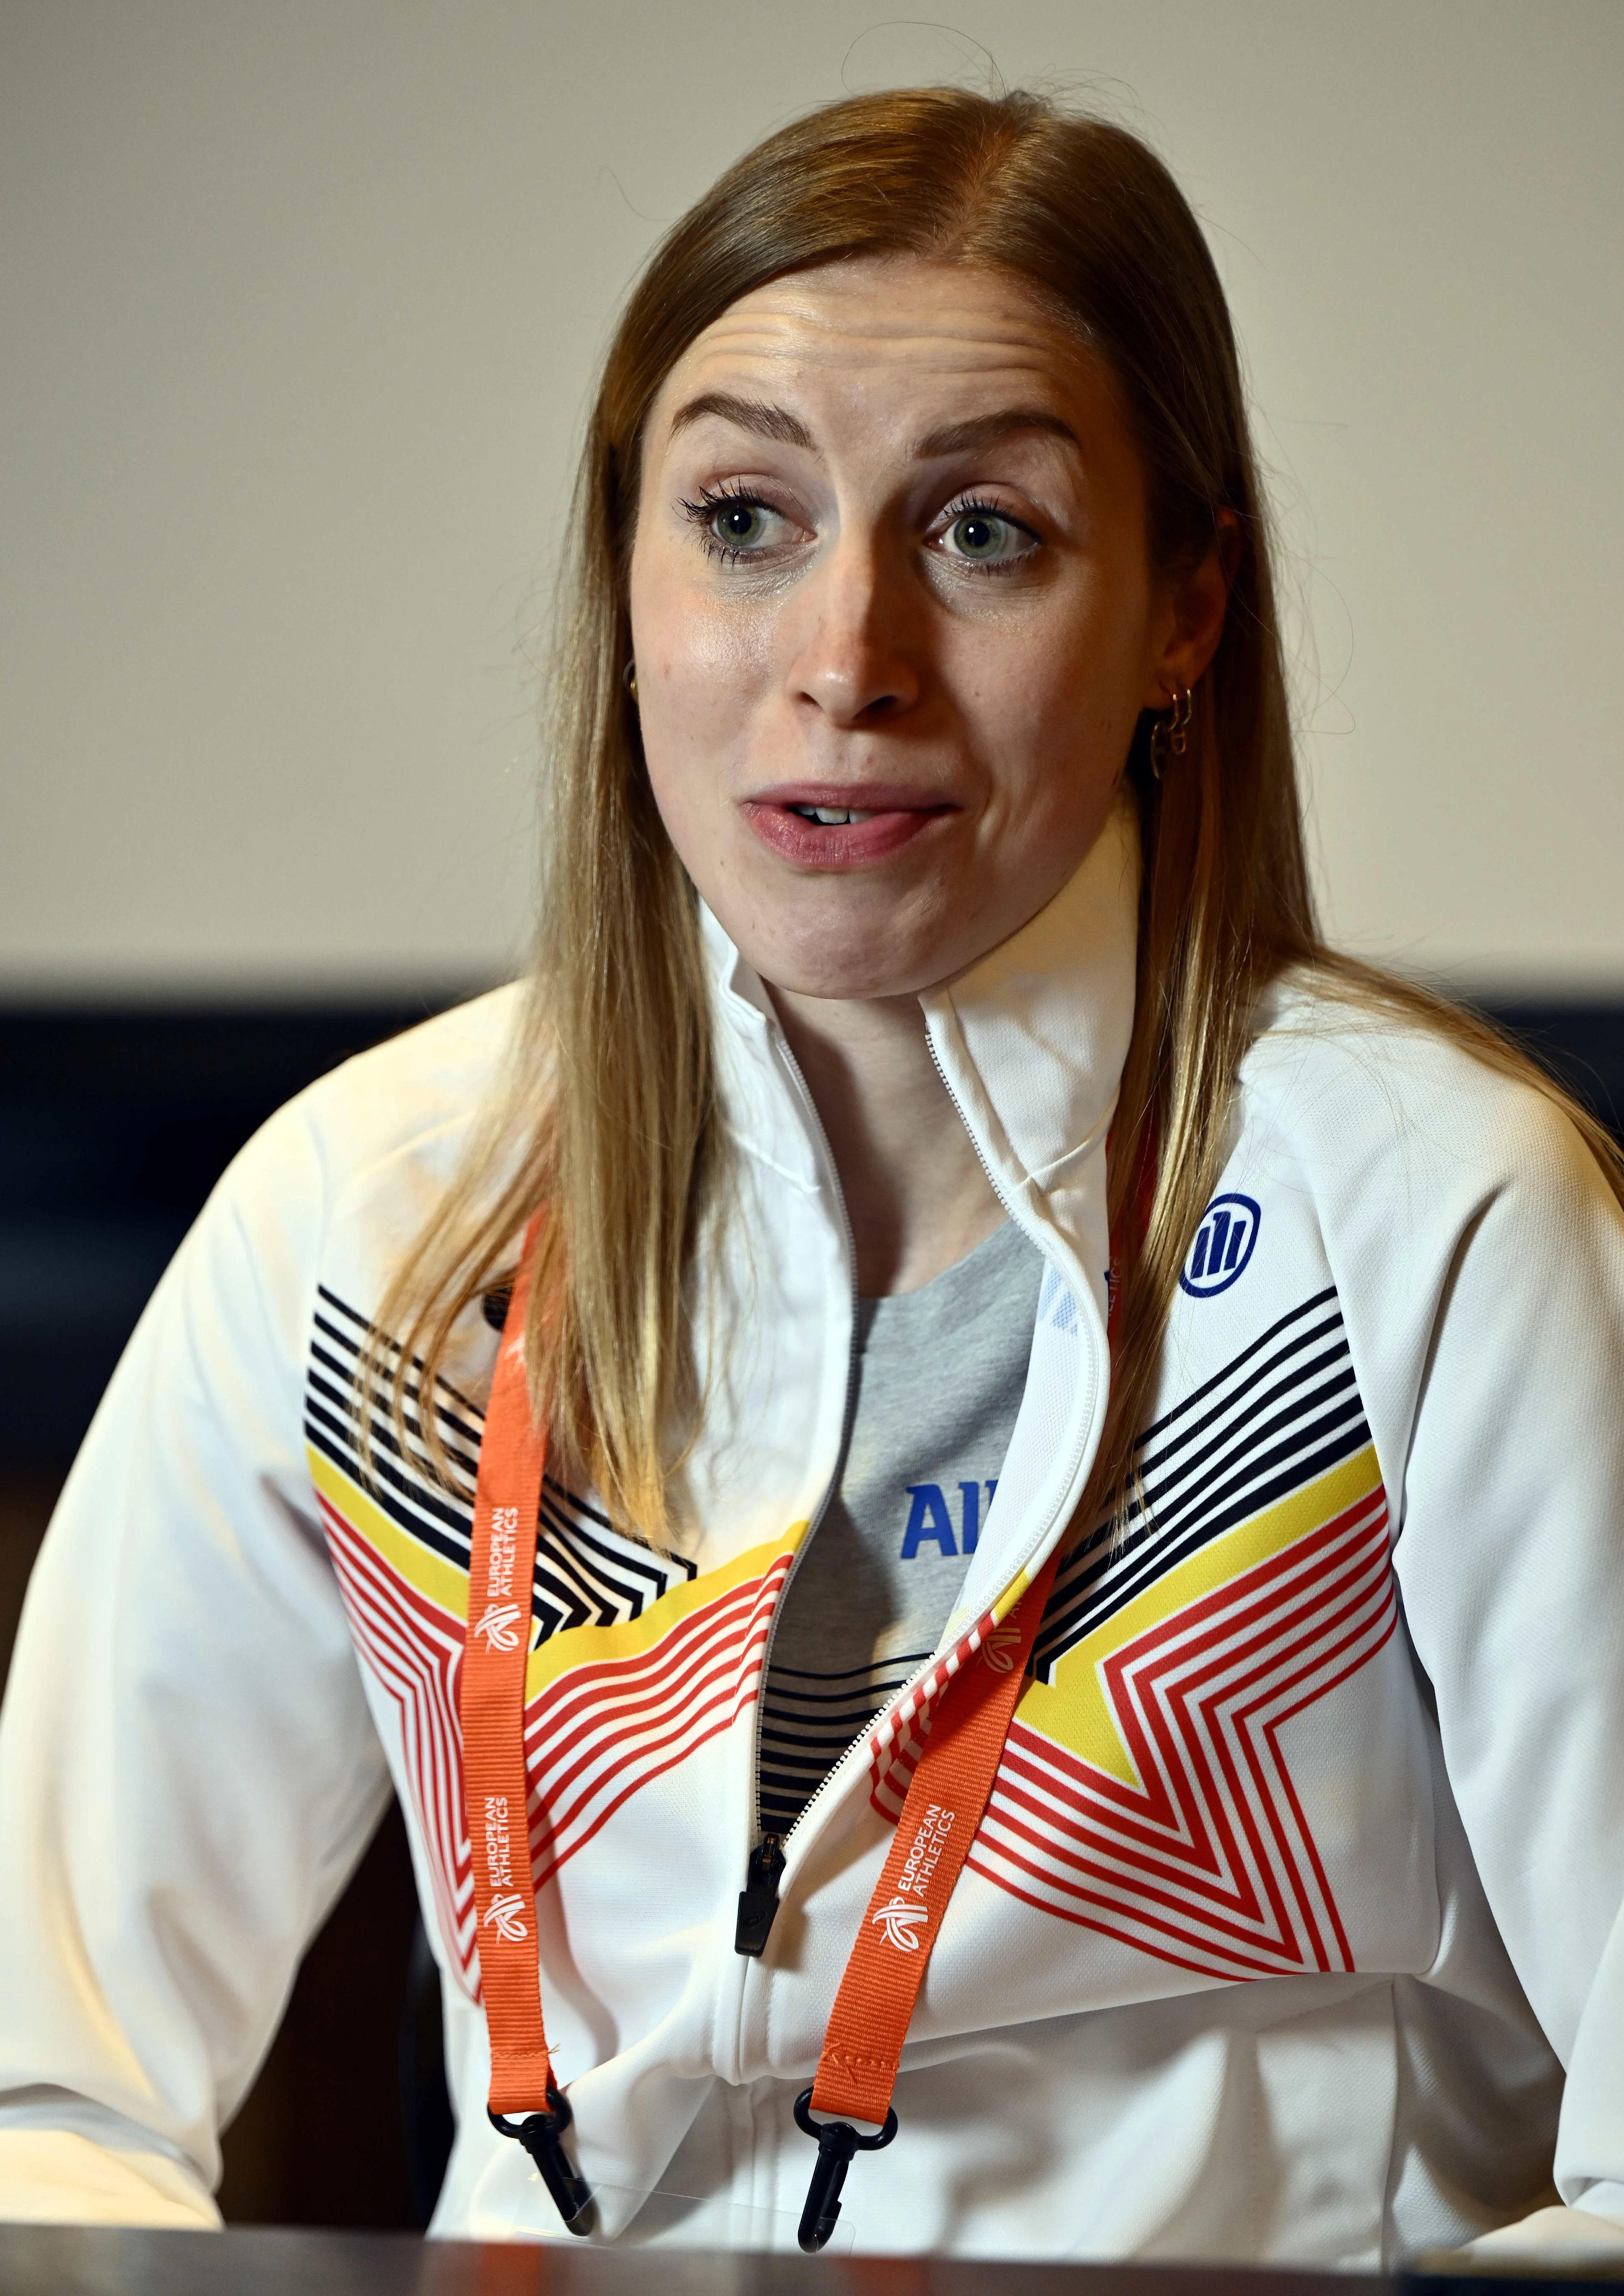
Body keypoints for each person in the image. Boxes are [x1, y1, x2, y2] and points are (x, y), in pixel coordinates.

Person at [3, 84, 1624, 2268]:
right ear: (629, 575)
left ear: (1184, 609)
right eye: (746, 518)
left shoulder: (1436, 1223)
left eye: (986, 534)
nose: (845, 660)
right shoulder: (370, 1216)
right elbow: (41, 2094)